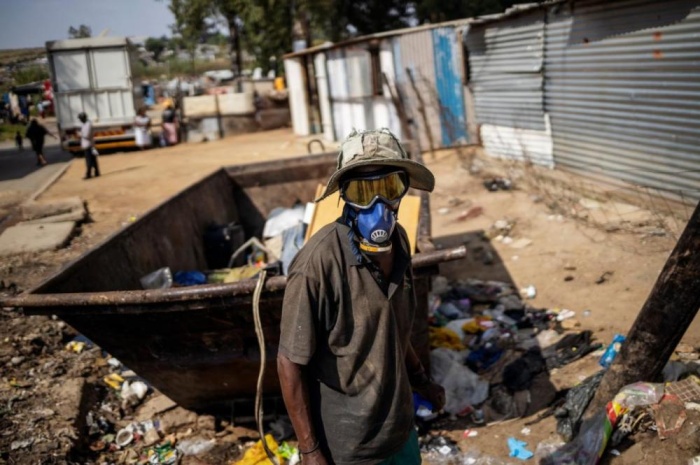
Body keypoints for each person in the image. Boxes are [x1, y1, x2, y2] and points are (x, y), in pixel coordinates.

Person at [278, 128, 445, 465]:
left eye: (388, 189)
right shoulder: (318, 264)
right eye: (363, 191)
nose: (378, 205)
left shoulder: (398, 242)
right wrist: (310, 449)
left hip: (400, 431)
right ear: (344, 196)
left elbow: (393, 329)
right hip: (351, 447)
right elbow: (289, 363)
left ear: (402, 191)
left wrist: (422, 382)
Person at [79, 112, 100, 179]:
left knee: (89, 160)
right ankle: (97, 172)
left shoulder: (88, 125)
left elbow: (86, 135)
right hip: (88, 144)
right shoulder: (84, 124)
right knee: (93, 159)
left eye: (80, 118)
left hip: (88, 145)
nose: (80, 120)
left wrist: (79, 134)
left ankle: (88, 174)